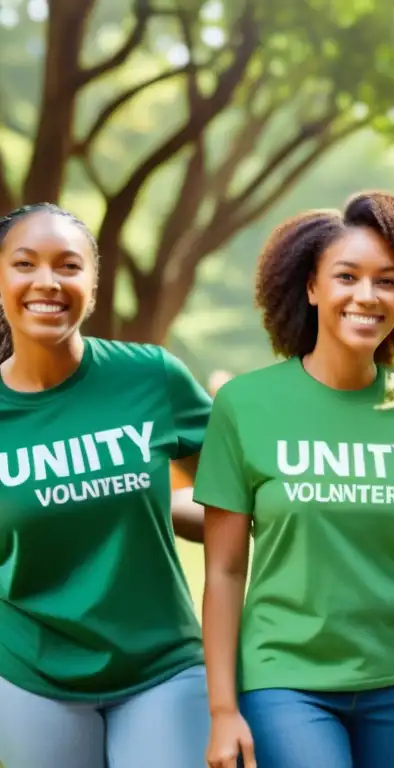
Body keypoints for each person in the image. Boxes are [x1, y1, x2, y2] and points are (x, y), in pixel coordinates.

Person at [194, 192, 394, 768]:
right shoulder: (245, 405)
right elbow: (222, 569)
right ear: (312, 287)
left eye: (387, 281)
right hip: (285, 678)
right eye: (347, 276)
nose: (367, 296)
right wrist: (222, 710)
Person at [0, 203, 212, 767]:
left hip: (162, 664)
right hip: (30, 673)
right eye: (25, 264)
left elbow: (236, 495)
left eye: (68, 266)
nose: (47, 282)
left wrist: (153, 506)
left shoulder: (152, 377)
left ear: (92, 286)